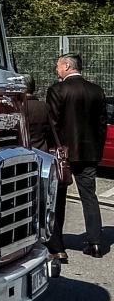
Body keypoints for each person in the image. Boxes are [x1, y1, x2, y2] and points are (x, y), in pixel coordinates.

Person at [46, 53, 108, 257]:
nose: (56, 69)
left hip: (63, 152)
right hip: (89, 152)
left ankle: (57, 247)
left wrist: (55, 149)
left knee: (58, 199)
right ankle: (96, 242)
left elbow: (53, 123)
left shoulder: (57, 90)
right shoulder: (96, 91)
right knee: (89, 196)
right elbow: (101, 125)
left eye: (57, 66)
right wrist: (97, 150)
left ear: (66, 66)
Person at [27, 74, 67, 262]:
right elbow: (53, 134)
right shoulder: (43, 107)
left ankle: (42, 246)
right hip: (43, 158)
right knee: (47, 204)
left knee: (32, 206)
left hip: (25, 160)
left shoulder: (16, 107)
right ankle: (58, 248)